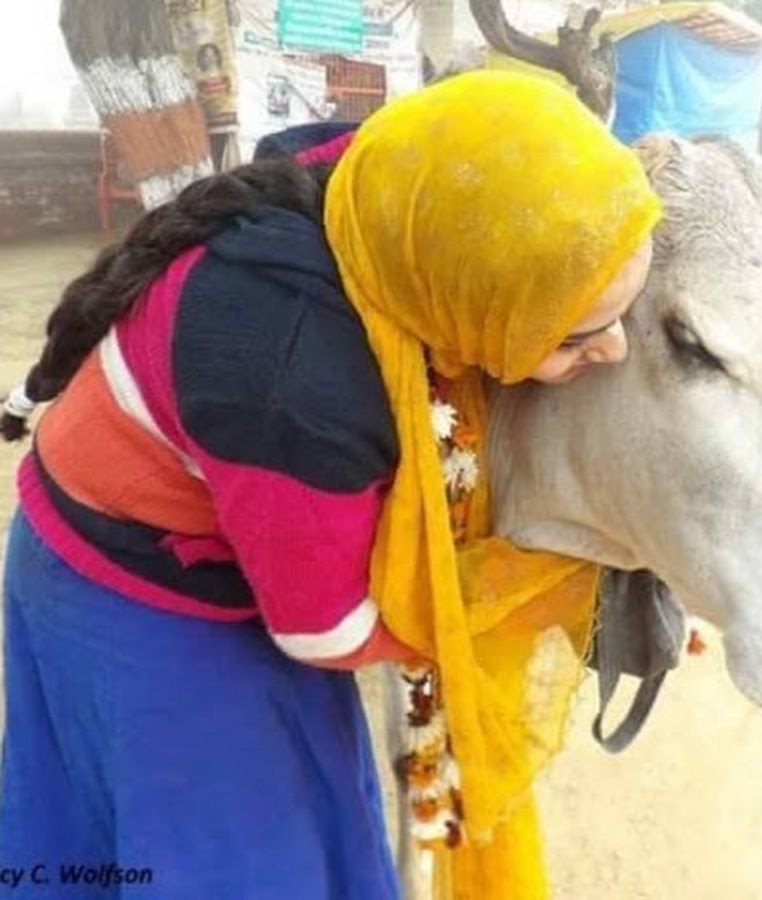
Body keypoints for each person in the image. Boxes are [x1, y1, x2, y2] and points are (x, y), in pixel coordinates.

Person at [0, 71, 660, 899]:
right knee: (229, 861)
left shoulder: (393, 187)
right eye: (574, 338)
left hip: (236, 526)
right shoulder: (298, 383)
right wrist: (519, 592)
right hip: (131, 596)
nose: (614, 351)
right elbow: (326, 630)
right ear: (473, 295)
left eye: (623, 317)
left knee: (311, 808)